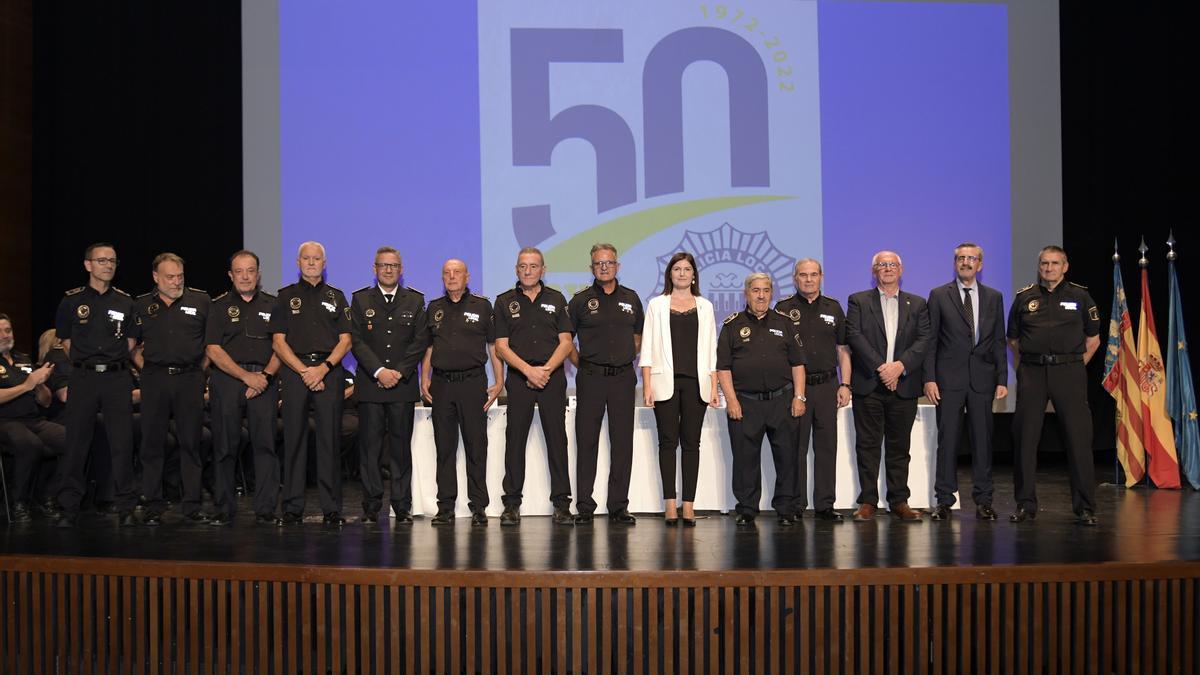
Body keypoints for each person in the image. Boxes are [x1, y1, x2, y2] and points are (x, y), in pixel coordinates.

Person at [1007, 245, 1101, 525]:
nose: (1049, 268)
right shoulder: (1025, 298)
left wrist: (1072, 365)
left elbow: (1093, 339)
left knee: (1078, 440)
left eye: (1055, 263)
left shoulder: (1080, 296)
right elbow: (1013, 339)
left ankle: (1085, 507)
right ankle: (1025, 504)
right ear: (1039, 267)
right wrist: (1028, 366)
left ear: (1065, 266)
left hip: (1069, 371)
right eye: (1045, 264)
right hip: (1033, 371)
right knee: (1025, 440)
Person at [51, 243, 141, 527]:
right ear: (88, 265)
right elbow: (66, 343)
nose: (108, 265)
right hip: (84, 377)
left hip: (116, 377)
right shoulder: (71, 301)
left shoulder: (126, 302)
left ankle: (126, 505)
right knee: (76, 443)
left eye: (112, 261)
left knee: (122, 443)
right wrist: (88, 361)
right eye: (102, 260)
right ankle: (68, 507)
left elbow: (129, 344)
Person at [269, 241, 353, 526]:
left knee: (329, 440)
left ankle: (332, 509)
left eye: (317, 258)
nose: (311, 262)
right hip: (295, 372)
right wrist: (306, 371)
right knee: (294, 440)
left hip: (328, 372)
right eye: (306, 258)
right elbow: (278, 342)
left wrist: (323, 369)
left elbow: (346, 340)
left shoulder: (337, 297)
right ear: (298, 262)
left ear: (324, 263)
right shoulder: (284, 297)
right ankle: (292, 508)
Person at [923, 243, 1008, 521]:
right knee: (948, 441)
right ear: (955, 263)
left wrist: (1002, 378)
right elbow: (931, 342)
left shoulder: (994, 297)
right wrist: (930, 379)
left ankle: (984, 500)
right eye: (961, 258)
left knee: (983, 442)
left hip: (983, 380)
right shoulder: (938, 295)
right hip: (948, 381)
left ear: (980, 264)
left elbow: (998, 341)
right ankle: (944, 500)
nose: (966, 263)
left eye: (971, 259)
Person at [845, 251, 931, 522]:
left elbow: (924, 338)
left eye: (892, 264)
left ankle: (899, 500)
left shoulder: (917, 303)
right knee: (867, 446)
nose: (888, 269)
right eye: (882, 265)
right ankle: (868, 500)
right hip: (869, 384)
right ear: (874, 271)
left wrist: (899, 366)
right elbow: (854, 336)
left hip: (903, 385)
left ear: (901, 270)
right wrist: (883, 368)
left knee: (899, 447)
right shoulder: (858, 301)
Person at [716, 272, 807, 528]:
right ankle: (746, 509)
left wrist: (799, 397)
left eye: (766, 290)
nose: (761, 295)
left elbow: (798, 363)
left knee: (788, 457)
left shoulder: (785, 322)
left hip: (782, 401)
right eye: (756, 290)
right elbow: (723, 368)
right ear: (746, 293)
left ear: (771, 293)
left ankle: (787, 508)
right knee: (745, 460)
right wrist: (731, 401)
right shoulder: (732, 325)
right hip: (745, 403)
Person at [493, 248, 575, 527]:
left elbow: (566, 342)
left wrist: (545, 371)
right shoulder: (504, 302)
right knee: (515, 441)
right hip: (519, 378)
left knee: (557, 440)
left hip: (551, 377)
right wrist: (528, 371)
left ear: (543, 269)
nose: (528, 271)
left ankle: (562, 504)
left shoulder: (557, 298)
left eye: (533, 266)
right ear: (516, 270)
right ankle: (511, 504)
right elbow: (501, 347)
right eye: (523, 266)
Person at [419, 259, 503, 526]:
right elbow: (429, 348)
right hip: (442, 385)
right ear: (442, 277)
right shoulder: (433, 308)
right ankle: (445, 506)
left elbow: (493, 347)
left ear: (467, 277)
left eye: (457, 273)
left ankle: (478, 506)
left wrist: (500, 380)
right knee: (444, 448)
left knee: (476, 446)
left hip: (472, 383)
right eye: (447, 273)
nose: (452, 277)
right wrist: (424, 377)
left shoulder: (482, 306)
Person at [132, 253, 211, 525]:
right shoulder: (141, 305)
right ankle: (153, 503)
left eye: (180, 276)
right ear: (156, 277)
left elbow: (211, 343)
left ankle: (192, 505)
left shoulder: (201, 301)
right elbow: (131, 345)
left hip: (189, 378)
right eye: (170, 277)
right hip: (154, 379)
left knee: (191, 442)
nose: (176, 282)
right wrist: (145, 368)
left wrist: (200, 371)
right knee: (152, 443)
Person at [568, 244, 644, 525]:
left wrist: (623, 359)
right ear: (591, 268)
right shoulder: (579, 301)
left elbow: (638, 339)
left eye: (609, 262)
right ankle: (585, 507)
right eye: (598, 263)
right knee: (586, 443)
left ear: (617, 266)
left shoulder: (632, 299)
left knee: (622, 444)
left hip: (624, 379)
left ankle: (618, 506)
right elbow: (567, 342)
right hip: (590, 379)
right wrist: (584, 364)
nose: (603, 267)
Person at [205, 250, 283, 525]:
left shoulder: (274, 305)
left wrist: (265, 376)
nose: (246, 276)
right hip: (228, 380)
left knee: (265, 446)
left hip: (264, 380)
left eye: (251, 270)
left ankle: (265, 509)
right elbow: (213, 350)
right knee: (225, 446)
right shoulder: (217, 306)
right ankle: (223, 508)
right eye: (240, 271)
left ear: (258, 273)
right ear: (231, 275)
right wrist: (244, 377)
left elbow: (281, 347)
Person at [349, 246, 427, 524]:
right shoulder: (359, 300)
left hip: (402, 386)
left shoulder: (415, 301)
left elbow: (420, 342)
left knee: (400, 449)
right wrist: (380, 371)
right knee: (369, 450)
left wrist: (399, 372)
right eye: (383, 265)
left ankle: (401, 506)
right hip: (371, 387)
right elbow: (355, 341)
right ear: (375, 269)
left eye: (393, 265)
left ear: (401, 269)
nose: (389, 269)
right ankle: (371, 507)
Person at [640, 252, 718, 527]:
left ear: (694, 274)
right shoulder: (656, 305)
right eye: (677, 269)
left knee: (691, 444)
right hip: (664, 383)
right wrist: (647, 385)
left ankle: (689, 506)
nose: (682, 274)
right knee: (667, 443)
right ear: (670, 274)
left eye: (687, 269)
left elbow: (711, 350)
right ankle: (669, 505)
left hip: (698, 383)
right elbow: (647, 348)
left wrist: (714, 386)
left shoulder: (705, 306)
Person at [775, 259, 852, 521]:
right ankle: (796, 505)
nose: (809, 279)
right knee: (796, 447)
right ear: (795, 278)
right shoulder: (783, 309)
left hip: (828, 386)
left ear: (821, 276)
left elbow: (843, 350)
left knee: (827, 448)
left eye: (813, 275)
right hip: (797, 388)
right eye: (803, 275)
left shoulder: (834, 307)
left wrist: (845, 383)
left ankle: (825, 505)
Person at [0, 314, 65, 522]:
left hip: (33, 420)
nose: (4, 335)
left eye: (8, 330)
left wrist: (39, 384)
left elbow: (45, 402)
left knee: (73, 439)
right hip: (4, 421)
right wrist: (27, 385)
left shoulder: (23, 359)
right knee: (30, 444)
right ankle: (18, 501)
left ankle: (47, 494)